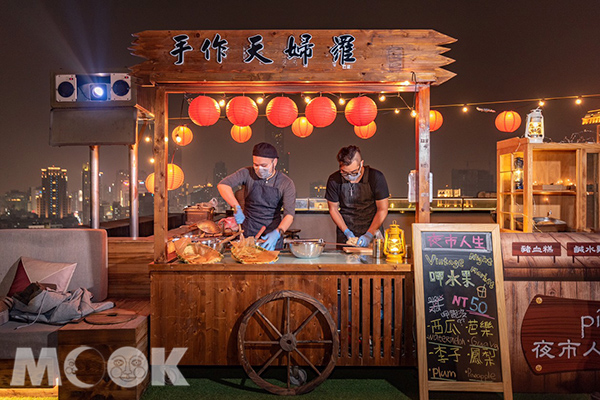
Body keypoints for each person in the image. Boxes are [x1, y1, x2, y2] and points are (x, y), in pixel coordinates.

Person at [218, 142, 296, 250]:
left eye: (264, 165)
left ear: (275, 162)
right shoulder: (247, 173)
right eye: (256, 165)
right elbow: (223, 185)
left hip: (271, 234)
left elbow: (289, 215)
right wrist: (236, 207)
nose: (259, 169)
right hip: (248, 232)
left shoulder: (286, 183)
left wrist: (278, 232)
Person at [325, 145, 389, 247]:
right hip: (345, 231)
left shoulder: (376, 177)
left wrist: (369, 235)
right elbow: (333, 209)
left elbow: (382, 209)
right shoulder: (334, 180)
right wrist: (347, 232)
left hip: (373, 229)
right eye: (345, 173)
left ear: (361, 163)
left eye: (354, 172)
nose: (350, 176)